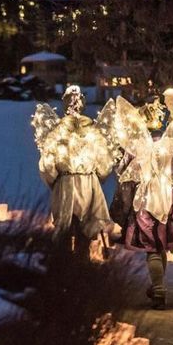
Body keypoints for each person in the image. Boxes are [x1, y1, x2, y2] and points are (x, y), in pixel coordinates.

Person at [104, 93, 173, 309]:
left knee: (152, 247)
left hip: (145, 199)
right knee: (159, 245)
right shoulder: (170, 143)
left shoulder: (136, 146)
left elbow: (124, 172)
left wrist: (123, 203)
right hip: (166, 198)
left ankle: (159, 290)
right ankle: (157, 288)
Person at [30, 85, 115, 252]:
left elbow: (47, 165)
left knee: (65, 230)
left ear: (64, 105)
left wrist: (55, 180)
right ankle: (83, 264)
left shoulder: (56, 133)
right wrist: (97, 176)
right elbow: (105, 164)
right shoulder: (94, 132)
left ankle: (65, 266)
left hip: (66, 184)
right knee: (87, 228)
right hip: (89, 184)